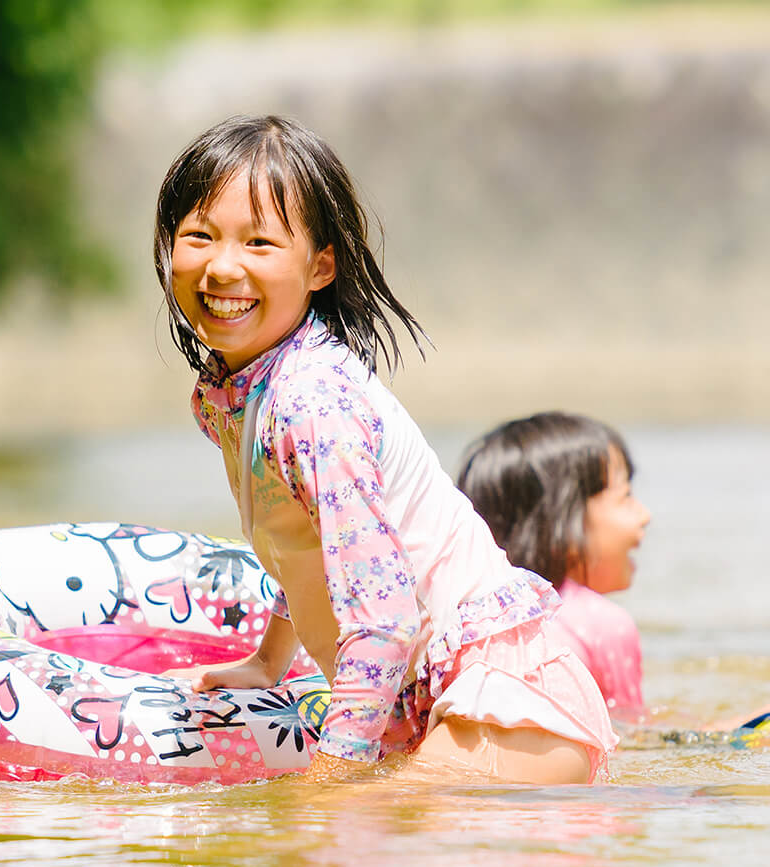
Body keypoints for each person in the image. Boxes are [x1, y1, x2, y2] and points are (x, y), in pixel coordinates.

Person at [154, 114, 616, 783]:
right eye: (200, 236)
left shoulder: (310, 402)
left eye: (258, 243)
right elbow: (316, 545)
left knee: (343, 835)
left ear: (319, 267)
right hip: (453, 698)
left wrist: (335, 773)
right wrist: (267, 662)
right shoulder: (237, 392)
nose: (223, 267)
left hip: (504, 704)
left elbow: (386, 614)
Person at [456, 412, 651, 721]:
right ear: (564, 522)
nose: (644, 515)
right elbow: (633, 738)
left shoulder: (468, 621)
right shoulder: (603, 625)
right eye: (625, 497)